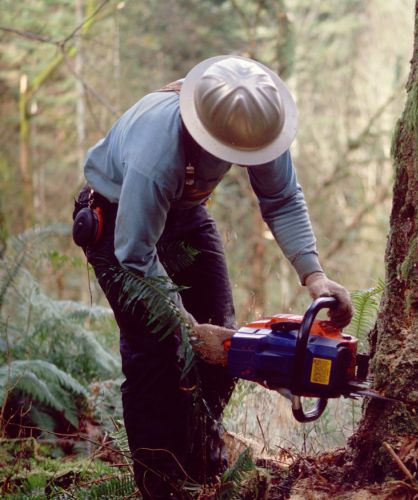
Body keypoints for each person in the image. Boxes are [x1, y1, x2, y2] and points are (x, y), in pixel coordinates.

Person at [72, 55, 353, 497]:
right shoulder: (157, 151)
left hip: (183, 217)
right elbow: (134, 253)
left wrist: (315, 277)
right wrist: (186, 325)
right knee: (158, 351)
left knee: (227, 344)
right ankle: (161, 484)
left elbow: (280, 199)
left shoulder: (256, 122)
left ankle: (205, 468)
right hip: (115, 226)